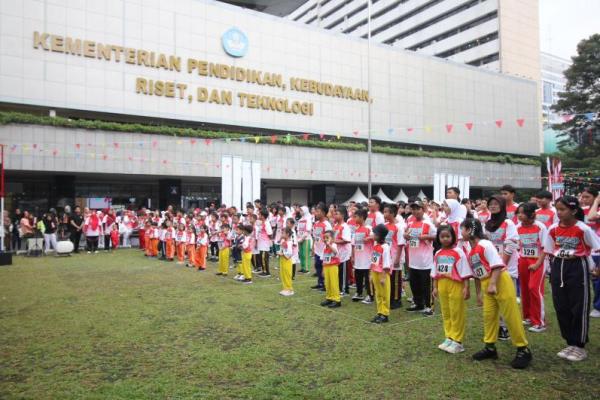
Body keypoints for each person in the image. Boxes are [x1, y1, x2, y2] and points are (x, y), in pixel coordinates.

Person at [461, 219, 532, 369]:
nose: (460, 232)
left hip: (499, 281)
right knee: (489, 316)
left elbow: (497, 265)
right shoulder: (471, 249)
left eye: (462, 229)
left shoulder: (485, 244)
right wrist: (479, 294)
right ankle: (490, 347)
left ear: (469, 230)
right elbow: (477, 274)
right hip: (487, 283)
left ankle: (523, 349)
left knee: (510, 315)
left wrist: (493, 284)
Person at [544, 196, 600, 362]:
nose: (559, 213)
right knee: (561, 305)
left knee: (578, 306)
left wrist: (597, 268)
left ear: (574, 211)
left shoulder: (583, 229)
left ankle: (580, 346)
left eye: (562, 209)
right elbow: (549, 250)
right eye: (558, 209)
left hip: (577, 266)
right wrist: (549, 269)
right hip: (558, 266)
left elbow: (597, 247)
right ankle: (569, 342)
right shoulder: (553, 228)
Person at [432, 225, 472, 353]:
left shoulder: (458, 252)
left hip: (455, 284)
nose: (445, 239)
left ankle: (457, 341)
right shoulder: (438, 253)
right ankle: (449, 336)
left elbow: (464, 271)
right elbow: (435, 273)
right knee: (446, 312)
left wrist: (466, 287)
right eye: (442, 237)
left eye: (448, 236)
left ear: (453, 237)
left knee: (456, 312)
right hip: (442, 284)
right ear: (438, 238)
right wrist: (435, 287)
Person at [485, 195, 520, 340]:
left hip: (506, 265)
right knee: (493, 297)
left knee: (506, 298)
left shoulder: (508, 223)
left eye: (496, 204)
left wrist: (502, 264)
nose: (493, 206)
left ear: (502, 206)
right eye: (490, 204)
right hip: (491, 264)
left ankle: (505, 327)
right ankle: (496, 325)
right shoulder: (487, 223)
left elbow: (512, 243)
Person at [516, 203, 548, 332]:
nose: (519, 215)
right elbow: (518, 246)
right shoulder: (517, 227)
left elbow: (546, 248)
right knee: (524, 289)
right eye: (518, 212)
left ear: (531, 214)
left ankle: (539, 322)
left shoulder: (540, 227)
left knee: (534, 288)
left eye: (522, 213)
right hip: (523, 260)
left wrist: (537, 264)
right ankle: (528, 317)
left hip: (538, 260)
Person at [404, 200, 437, 315]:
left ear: (423, 210)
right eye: (413, 209)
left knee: (426, 285)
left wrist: (426, 236)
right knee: (414, 284)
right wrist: (405, 236)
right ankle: (418, 304)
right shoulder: (411, 224)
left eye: (418, 209)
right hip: (413, 260)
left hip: (425, 261)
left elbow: (436, 236)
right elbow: (407, 235)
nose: (415, 211)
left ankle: (429, 306)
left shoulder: (427, 223)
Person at [581, 188, 600, 318]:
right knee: (592, 279)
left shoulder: (595, 211)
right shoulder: (581, 211)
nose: (584, 200)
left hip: (598, 250)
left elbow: (592, 217)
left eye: (587, 197)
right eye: (582, 197)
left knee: (598, 280)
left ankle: (598, 307)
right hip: (587, 250)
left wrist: (597, 202)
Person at [383, 203, 405, 309]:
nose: (384, 214)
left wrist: (397, 258)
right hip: (387, 256)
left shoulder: (399, 226)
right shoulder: (385, 225)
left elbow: (401, 244)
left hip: (396, 256)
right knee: (389, 278)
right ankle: (390, 297)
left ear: (392, 213)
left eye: (386, 212)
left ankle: (397, 300)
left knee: (396, 279)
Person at [370, 224, 393, 323]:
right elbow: (374, 260)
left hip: (382, 273)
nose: (373, 235)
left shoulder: (385, 247)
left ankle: (385, 314)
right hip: (375, 272)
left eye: (375, 234)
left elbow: (386, 262)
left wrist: (384, 276)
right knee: (378, 293)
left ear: (380, 235)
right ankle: (379, 312)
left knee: (385, 294)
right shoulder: (375, 245)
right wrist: (371, 273)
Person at [351, 208, 373, 303]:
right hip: (358, 258)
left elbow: (374, 237)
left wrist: (368, 238)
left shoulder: (368, 228)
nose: (354, 218)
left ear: (362, 217)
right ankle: (359, 293)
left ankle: (370, 295)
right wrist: (352, 256)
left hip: (367, 258)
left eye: (356, 217)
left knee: (368, 278)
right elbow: (353, 244)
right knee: (358, 276)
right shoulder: (356, 229)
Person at [311, 204, 332, 290]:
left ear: (323, 213)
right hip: (317, 250)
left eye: (318, 211)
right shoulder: (316, 224)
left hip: (324, 250)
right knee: (317, 266)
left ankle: (325, 284)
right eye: (315, 211)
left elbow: (330, 237)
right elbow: (314, 237)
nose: (315, 213)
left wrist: (327, 247)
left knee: (324, 267)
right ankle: (320, 283)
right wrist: (313, 247)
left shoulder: (327, 224)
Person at [333, 207, 352, 296]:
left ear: (343, 215)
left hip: (344, 254)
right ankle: (339, 288)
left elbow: (347, 240)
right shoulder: (336, 226)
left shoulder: (345, 227)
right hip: (337, 253)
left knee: (343, 273)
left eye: (337, 213)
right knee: (338, 273)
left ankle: (344, 290)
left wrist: (334, 241)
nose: (334, 215)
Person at [320, 230, 341, 308]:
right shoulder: (324, 247)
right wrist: (323, 269)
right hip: (326, 266)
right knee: (327, 283)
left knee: (333, 283)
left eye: (327, 237)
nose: (325, 239)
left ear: (332, 238)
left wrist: (329, 245)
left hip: (333, 266)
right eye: (324, 237)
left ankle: (337, 299)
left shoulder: (334, 245)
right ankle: (329, 298)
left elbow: (335, 252)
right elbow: (323, 259)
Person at [256, 210, 273, 277]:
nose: (259, 216)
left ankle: (267, 272)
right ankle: (263, 270)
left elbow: (270, 233)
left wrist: (268, 241)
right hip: (261, 243)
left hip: (264, 244)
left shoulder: (266, 223)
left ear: (263, 216)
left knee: (264, 258)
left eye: (259, 215)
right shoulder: (261, 222)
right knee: (261, 257)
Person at [278, 227, 294, 296]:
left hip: (287, 260)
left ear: (287, 234)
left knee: (287, 275)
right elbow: (282, 248)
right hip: (282, 260)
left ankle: (290, 289)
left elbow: (290, 253)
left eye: (283, 233)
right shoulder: (284, 241)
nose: (281, 234)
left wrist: (282, 254)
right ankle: (285, 288)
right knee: (283, 274)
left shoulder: (289, 243)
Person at [297, 206, 313, 274]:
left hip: (306, 239)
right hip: (300, 239)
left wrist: (302, 238)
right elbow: (298, 229)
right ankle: (302, 267)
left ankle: (306, 269)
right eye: (300, 210)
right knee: (301, 254)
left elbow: (308, 230)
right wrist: (299, 238)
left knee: (305, 254)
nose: (300, 212)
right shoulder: (300, 219)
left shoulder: (308, 219)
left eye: (302, 210)